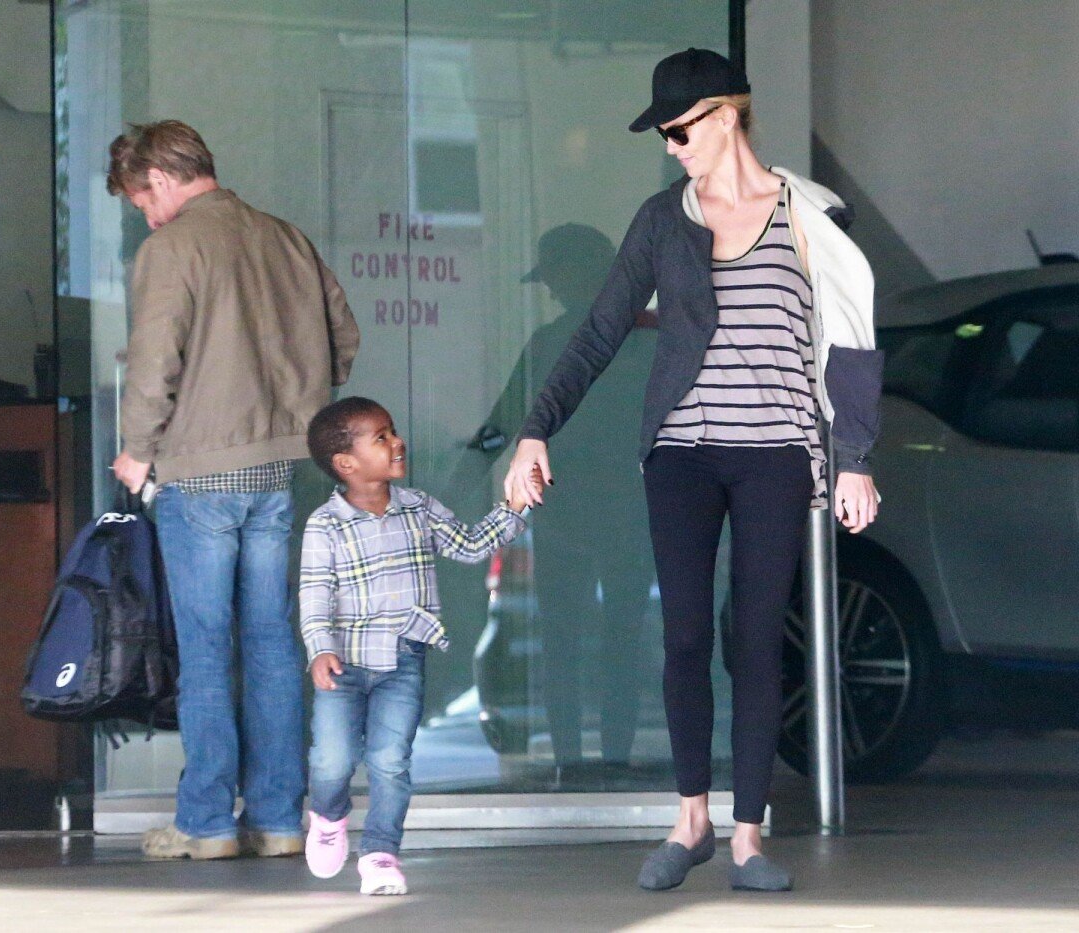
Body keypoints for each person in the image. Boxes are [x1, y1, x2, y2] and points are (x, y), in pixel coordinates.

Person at [504, 48, 883, 893]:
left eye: (678, 129)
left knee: (753, 636)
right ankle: (692, 819)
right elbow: (600, 330)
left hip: (778, 454)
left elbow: (853, 341)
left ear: (724, 116)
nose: (671, 146)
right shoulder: (660, 219)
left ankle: (748, 834)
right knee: (682, 635)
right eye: (664, 134)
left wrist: (853, 459)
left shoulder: (808, 216)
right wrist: (537, 429)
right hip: (681, 451)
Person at [107, 120, 361, 860]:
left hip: (200, 471)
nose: (146, 217)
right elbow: (344, 336)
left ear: (158, 178)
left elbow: (155, 360)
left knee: (208, 648)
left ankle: (208, 821)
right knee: (273, 643)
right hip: (278, 470)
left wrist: (135, 451)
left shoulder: (173, 246)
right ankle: (281, 817)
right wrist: (300, 397)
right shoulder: (286, 238)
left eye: (139, 200)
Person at [299, 397, 540, 895]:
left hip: (403, 659)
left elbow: (471, 546)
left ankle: (381, 854)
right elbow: (315, 593)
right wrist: (320, 648)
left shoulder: (419, 508)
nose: (397, 442)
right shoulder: (327, 525)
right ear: (346, 464)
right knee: (333, 761)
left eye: (393, 431)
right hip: (343, 663)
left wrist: (513, 507)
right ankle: (328, 814)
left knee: (391, 760)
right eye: (381, 437)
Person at [473, 224, 656, 787]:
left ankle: (570, 761)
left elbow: (502, 425)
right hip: (632, 506)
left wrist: (464, 469)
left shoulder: (553, 343)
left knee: (561, 637)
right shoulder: (651, 340)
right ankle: (615, 756)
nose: (550, 290)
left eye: (553, 277)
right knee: (624, 631)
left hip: (567, 510)